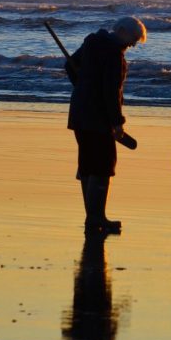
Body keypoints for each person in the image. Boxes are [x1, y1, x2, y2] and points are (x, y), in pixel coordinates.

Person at [66, 16, 146, 234]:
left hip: (79, 113)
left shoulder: (92, 43)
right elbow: (111, 93)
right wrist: (117, 123)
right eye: (133, 38)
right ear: (121, 30)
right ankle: (96, 218)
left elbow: (69, 65)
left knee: (88, 166)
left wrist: (83, 87)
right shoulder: (114, 55)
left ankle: (93, 217)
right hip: (98, 119)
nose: (134, 44)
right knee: (101, 167)